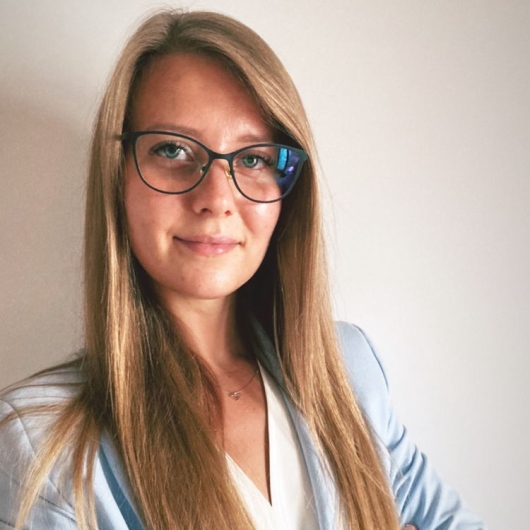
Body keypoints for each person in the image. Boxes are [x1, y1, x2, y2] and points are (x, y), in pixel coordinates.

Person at [0, 9, 486, 530]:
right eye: (172, 149)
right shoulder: (42, 445)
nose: (217, 198)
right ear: (117, 176)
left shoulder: (347, 369)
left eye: (254, 159)